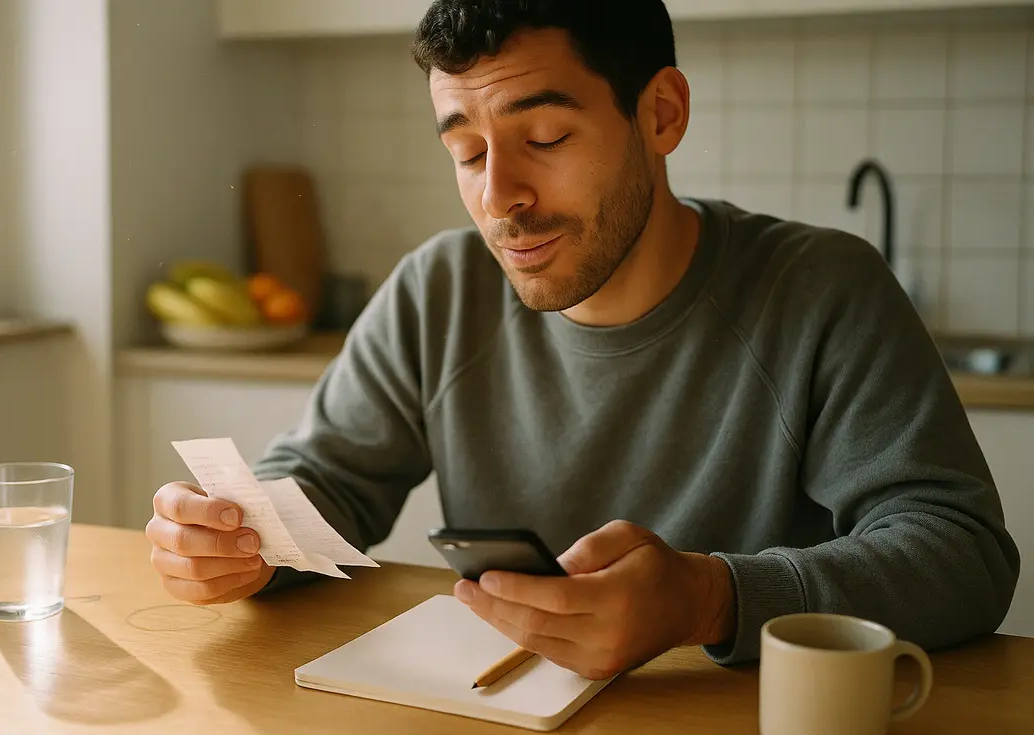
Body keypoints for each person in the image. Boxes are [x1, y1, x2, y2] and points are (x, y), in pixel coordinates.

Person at [145, 0, 1020, 679]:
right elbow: (329, 480)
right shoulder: (437, 289)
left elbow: (962, 552)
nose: (499, 196)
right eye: (468, 153)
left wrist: (711, 598)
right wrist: (238, 536)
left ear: (662, 114)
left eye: (545, 137)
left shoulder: (822, 289)